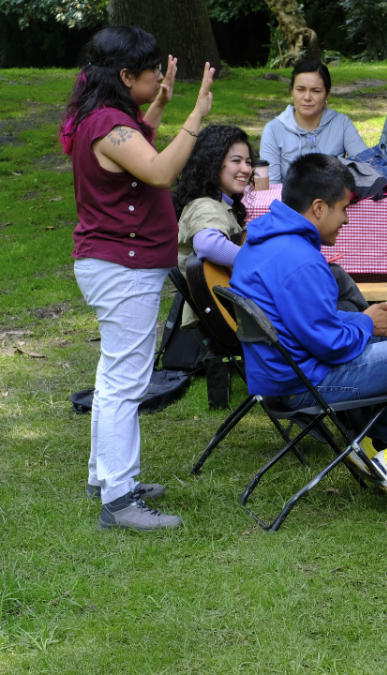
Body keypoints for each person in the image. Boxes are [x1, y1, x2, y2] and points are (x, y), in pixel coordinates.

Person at [230, 154, 387, 515]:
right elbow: (331, 346)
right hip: (302, 385)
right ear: (318, 208)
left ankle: (378, 447)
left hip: (283, 371)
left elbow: (309, 324)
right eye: (344, 209)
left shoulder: (263, 238)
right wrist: (367, 323)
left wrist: (366, 321)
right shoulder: (300, 259)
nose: (346, 219)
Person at [60, 26, 214, 531]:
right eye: (151, 76)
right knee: (126, 383)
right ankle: (120, 500)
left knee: (113, 376)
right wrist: (195, 118)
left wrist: (161, 106)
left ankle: (104, 476)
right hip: (122, 269)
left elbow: (135, 152)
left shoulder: (102, 118)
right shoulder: (108, 123)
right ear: (126, 77)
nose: (158, 79)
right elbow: (159, 171)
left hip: (112, 265)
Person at [173, 125, 367, 329]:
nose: (246, 169)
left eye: (248, 162)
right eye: (236, 161)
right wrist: (263, 267)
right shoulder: (205, 205)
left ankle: (360, 329)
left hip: (241, 303)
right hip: (237, 311)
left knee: (327, 277)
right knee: (331, 278)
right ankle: (363, 330)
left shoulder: (222, 205)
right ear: (211, 164)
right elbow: (208, 245)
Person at [260, 60, 368, 185]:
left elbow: (365, 168)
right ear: (291, 91)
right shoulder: (273, 129)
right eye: (300, 89)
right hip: (288, 202)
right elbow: (270, 186)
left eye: (316, 91)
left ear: (327, 94)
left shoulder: (341, 123)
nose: (307, 97)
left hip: (333, 201)